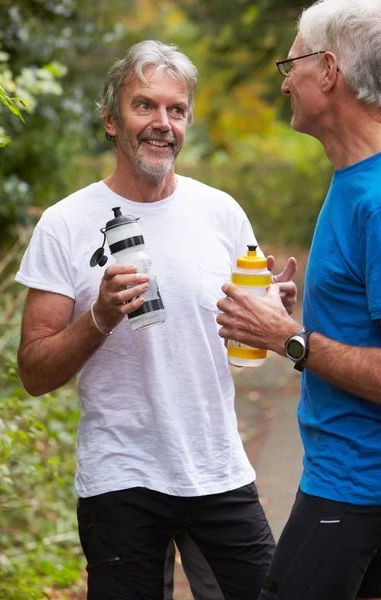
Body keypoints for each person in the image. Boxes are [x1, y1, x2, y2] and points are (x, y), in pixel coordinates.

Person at [15, 40, 297, 599]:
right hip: (121, 478)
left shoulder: (221, 211)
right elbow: (34, 371)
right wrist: (98, 315)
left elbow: (251, 332)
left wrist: (270, 315)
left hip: (217, 468)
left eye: (176, 109)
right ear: (111, 121)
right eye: (144, 106)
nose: (162, 123)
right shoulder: (65, 223)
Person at [216, 1, 381, 599]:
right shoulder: (355, 180)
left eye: (290, 63)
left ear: (329, 70)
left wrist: (283, 337)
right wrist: (289, 317)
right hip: (355, 481)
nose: (285, 79)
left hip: (358, 485)